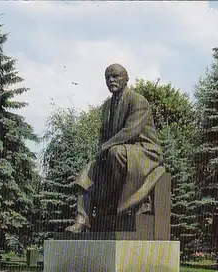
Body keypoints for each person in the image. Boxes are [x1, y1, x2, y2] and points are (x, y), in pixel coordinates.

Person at [65, 63, 165, 233]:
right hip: (118, 150)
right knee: (89, 169)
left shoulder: (138, 101)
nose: (111, 79)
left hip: (145, 150)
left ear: (126, 79)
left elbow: (130, 131)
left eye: (116, 76)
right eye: (108, 77)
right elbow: (104, 135)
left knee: (115, 152)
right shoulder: (106, 107)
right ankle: (82, 220)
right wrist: (100, 153)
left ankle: (119, 203)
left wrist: (105, 147)